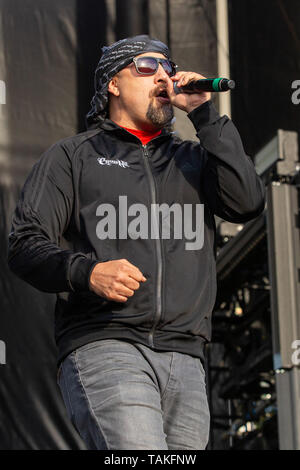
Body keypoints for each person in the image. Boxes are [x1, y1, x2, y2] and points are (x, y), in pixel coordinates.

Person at [7, 35, 265, 450]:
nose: (163, 75)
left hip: (187, 357)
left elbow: (248, 202)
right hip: (107, 344)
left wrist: (204, 115)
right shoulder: (73, 157)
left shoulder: (194, 160)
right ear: (112, 83)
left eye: (168, 66)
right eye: (147, 66)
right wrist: (87, 271)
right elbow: (23, 244)